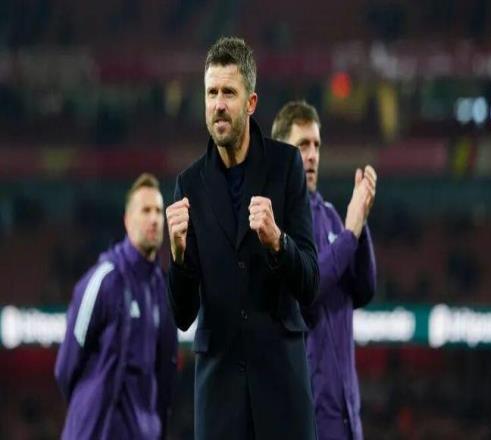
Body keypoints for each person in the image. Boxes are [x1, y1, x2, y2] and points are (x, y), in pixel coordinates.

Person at [166, 37, 319, 440]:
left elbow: (310, 283)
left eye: (228, 93)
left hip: (281, 391)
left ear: (251, 103)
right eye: (211, 93)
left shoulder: (286, 166)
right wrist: (178, 257)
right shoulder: (189, 185)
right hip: (220, 399)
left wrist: (278, 242)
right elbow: (183, 315)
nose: (218, 104)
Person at [272, 100, 377, 440]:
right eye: (302, 145)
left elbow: (364, 289)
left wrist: (360, 221)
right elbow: (308, 289)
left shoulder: (330, 215)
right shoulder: (274, 224)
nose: (313, 155)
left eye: (316, 145)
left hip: (347, 414)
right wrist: (350, 233)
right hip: (308, 417)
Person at [55, 173, 178, 439]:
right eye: (145, 210)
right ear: (127, 220)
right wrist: (89, 410)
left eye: (159, 211)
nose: (154, 219)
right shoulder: (104, 280)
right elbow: (66, 367)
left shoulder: (162, 290)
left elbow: (164, 374)